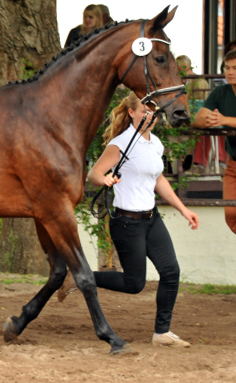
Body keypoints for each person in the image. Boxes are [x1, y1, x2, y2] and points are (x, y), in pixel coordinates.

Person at [88, 92, 199, 348]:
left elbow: (158, 179)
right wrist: (104, 180)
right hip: (127, 223)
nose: (151, 116)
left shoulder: (155, 144)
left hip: (152, 219)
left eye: (153, 112)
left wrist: (184, 210)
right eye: (145, 111)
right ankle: (82, 275)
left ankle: (162, 333)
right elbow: (94, 173)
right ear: (132, 113)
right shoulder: (121, 143)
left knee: (171, 272)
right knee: (134, 283)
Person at [193, 48, 236, 290]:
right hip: (234, 163)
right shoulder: (220, 92)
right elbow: (198, 118)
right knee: (233, 217)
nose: (230, 72)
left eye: (235, 67)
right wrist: (208, 119)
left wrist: (223, 120)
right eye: (227, 68)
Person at [175, 55, 221, 173]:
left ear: (188, 68)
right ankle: (176, 166)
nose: (180, 73)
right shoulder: (175, 82)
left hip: (194, 118)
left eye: (182, 70)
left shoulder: (199, 82)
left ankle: (192, 164)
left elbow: (201, 106)